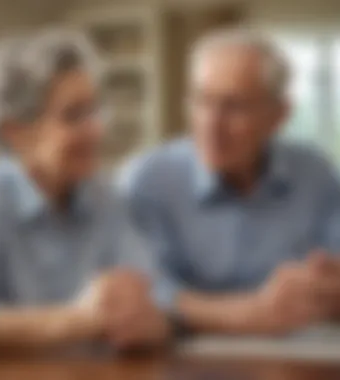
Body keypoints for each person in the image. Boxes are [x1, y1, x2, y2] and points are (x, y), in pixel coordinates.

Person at [0, 28, 169, 354]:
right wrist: (75, 321)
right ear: (16, 133)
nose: (97, 129)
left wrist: (149, 322)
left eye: (95, 111)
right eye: (74, 115)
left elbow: (155, 299)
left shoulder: (106, 199)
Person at [122, 29, 340, 336]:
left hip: (300, 356)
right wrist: (250, 314)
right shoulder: (148, 180)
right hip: (184, 362)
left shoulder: (316, 174)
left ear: (279, 115)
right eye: (202, 101)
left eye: (234, 106)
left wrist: (328, 289)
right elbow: (144, 292)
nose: (211, 124)